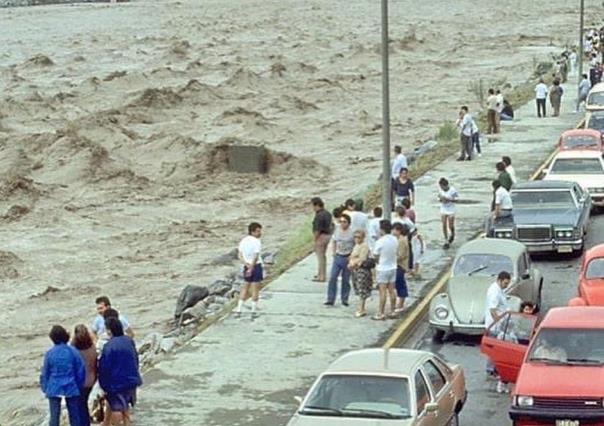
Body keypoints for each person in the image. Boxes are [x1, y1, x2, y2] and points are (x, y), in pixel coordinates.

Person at [98, 318, 142, 426]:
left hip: (116, 383)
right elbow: (135, 358)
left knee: (116, 408)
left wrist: (103, 385)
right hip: (131, 380)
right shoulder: (129, 340)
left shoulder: (109, 346)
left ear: (109, 330)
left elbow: (104, 368)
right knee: (125, 406)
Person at [40, 325, 86, 426]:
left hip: (54, 386)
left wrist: (45, 387)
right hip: (71, 386)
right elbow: (80, 370)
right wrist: (79, 385)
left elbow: (45, 372)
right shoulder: (73, 352)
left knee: (54, 416)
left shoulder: (50, 353)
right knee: (74, 415)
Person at [484, 271, 511, 388]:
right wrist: (499, 323)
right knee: (494, 349)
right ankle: (491, 370)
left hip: (498, 323)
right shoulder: (494, 292)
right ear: (500, 280)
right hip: (495, 325)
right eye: (505, 283)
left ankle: (493, 369)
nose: (506, 285)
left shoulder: (498, 290)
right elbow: (493, 310)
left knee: (496, 349)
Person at [325, 214, 354, 306]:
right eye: (340, 221)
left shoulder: (352, 232)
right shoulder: (337, 230)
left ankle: (344, 299)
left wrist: (353, 256)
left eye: (344, 222)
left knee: (346, 280)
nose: (342, 224)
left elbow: (356, 244)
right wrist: (333, 252)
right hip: (338, 256)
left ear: (349, 223)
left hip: (348, 257)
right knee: (333, 277)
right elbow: (334, 241)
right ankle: (330, 298)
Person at [372, 220, 398, 321]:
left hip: (383, 268)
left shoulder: (380, 242)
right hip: (393, 267)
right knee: (392, 290)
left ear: (381, 229)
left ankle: (381, 313)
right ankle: (392, 311)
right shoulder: (394, 239)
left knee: (382, 292)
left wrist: (378, 262)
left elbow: (375, 255)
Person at [236, 222, 263, 317]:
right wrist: (251, 267)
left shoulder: (243, 241)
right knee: (255, 288)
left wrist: (246, 265)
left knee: (245, 287)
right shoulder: (256, 242)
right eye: (258, 231)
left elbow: (239, 255)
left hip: (246, 266)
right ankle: (253, 310)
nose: (260, 233)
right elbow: (256, 256)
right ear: (253, 232)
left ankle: (239, 309)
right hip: (256, 266)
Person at [72, 325, 97, 426]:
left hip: (79, 381)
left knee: (79, 406)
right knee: (83, 403)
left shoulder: (73, 350)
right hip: (91, 380)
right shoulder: (92, 347)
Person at [348, 230, 372, 318]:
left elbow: (362, 259)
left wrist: (353, 263)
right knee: (358, 288)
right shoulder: (356, 246)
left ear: (363, 238)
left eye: (359, 237)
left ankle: (361, 308)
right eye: (355, 237)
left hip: (361, 270)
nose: (356, 239)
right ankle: (361, 307)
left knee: (362, 288)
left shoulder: (364, 246)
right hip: (354, 270)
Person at [311, 197, 332, 283]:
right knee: (323, 256)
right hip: (328, 235)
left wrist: (315, 240)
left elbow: (317, 230)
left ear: (316, 205)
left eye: (312, 205)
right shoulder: (327, 213)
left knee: (320, 257)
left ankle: (321, 276)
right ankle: (321, 274)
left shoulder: (319, 215)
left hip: (321, 236)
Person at [392, 223, 409, 315]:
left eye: (394, 230)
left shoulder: (401, 241)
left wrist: (392, 259)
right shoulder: (398, 239)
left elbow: (401, 255)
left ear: (398, 230)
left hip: (400, 265)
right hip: (397, 264)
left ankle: (401, 304)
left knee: (400, 283)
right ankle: (399, 302)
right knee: (398, 283)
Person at [438, 178, 458, 249]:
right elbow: (439, 197)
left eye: (442, 187)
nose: (441, 188)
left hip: (451, 209)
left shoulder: (452, 190)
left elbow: (457, 199)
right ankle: (446, 240)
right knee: (444, 224)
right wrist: (441, 199)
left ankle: (452, 233)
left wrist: (449, 199)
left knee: (450, 225)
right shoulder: (441, 190)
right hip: (444, 208)